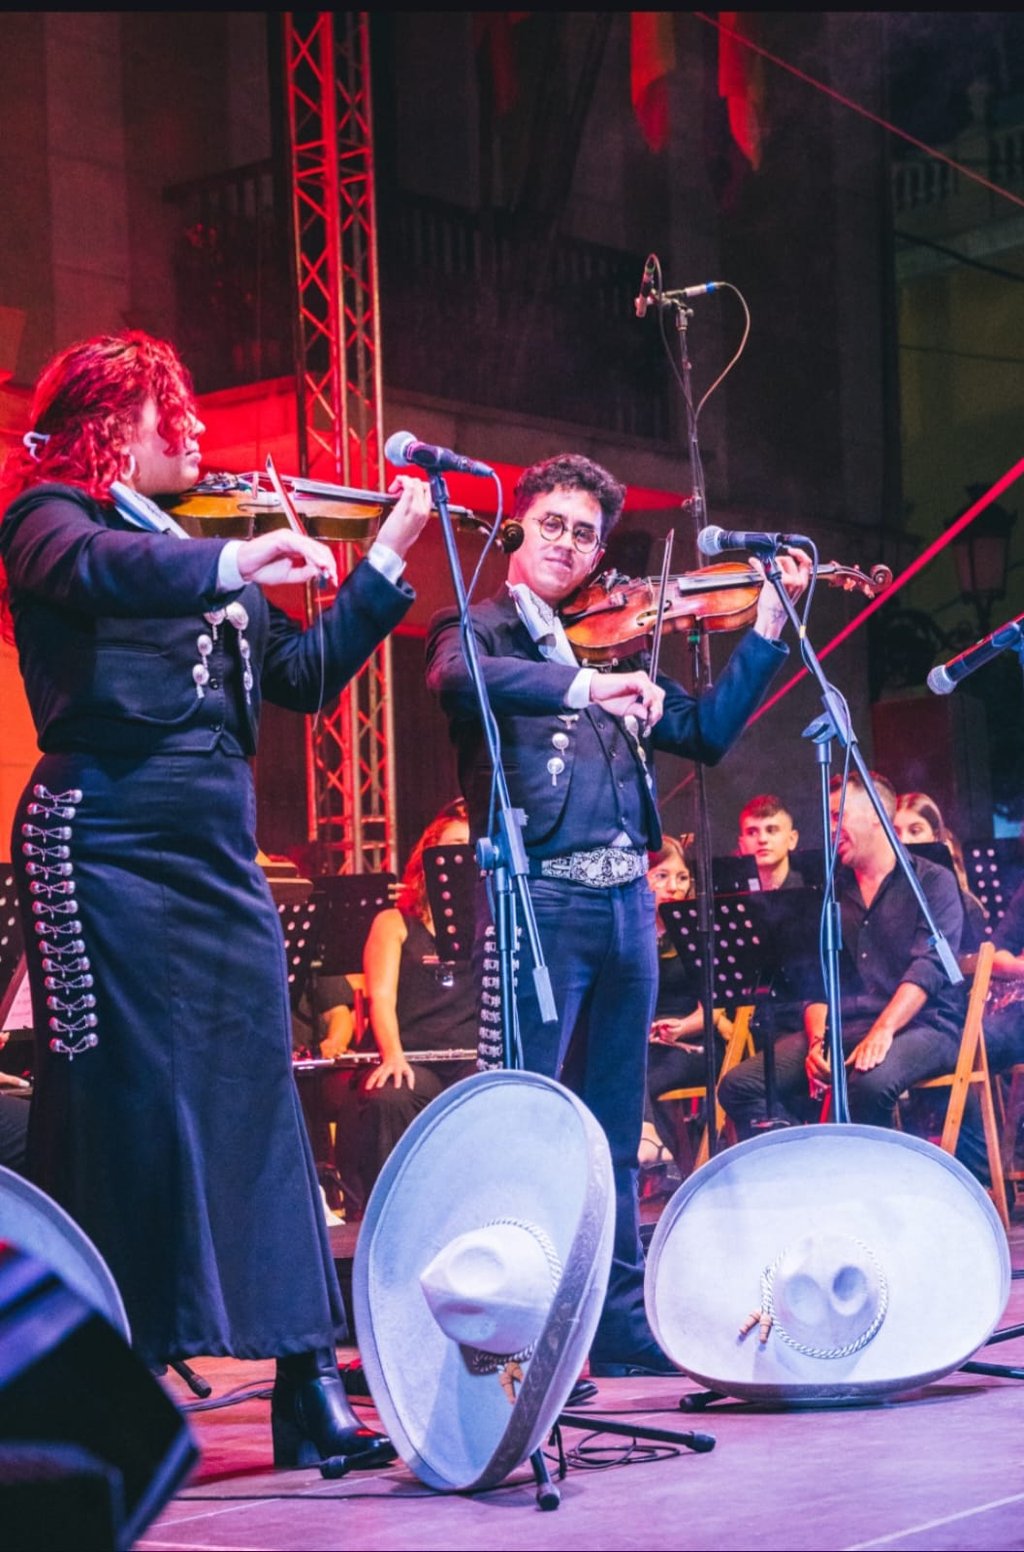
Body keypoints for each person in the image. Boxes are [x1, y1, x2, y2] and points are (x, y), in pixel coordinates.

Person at [0, 330, 433, 1471]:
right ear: (111, 426)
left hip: (213, 851)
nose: (191, 436)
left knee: (258, 1106)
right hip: (102, 839)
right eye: (168, 415)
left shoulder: (196, 543)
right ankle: (96, 1381)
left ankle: (305, 1381)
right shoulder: (49, 517)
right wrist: (233, 564)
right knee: (123, 1106)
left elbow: (299, 676)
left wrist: (384, 563)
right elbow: (99, 575)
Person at [425, 451, 810, 1376]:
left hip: (625, 902)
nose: (567, 544)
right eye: (552, 524)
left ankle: (617, 1320)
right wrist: (588, 688)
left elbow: (709, 733)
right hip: (541, 895)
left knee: (611, 1117)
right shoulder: (477, 629)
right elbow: (454, 679)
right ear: (518, 528)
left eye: (585, 534)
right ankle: (506, 1324)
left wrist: (765, 627)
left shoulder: (608, 643)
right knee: (525, 1112)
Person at [719, 770, 966, 1135]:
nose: (831, 829)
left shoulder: (931, 881)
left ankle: (873, 1187)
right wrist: (819, 1040)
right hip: (848, 1026)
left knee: (866, 1085)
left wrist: (883, 1030)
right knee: (739, 1086)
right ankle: (807, 1162)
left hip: (923, 1025)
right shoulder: (830, 890)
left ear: (876, 817)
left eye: (838, 816)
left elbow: (928, 968)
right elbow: (816, 978)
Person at [358, 799, 479, 1196]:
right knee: (392, 1097)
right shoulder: (394, 922)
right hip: (412, 1058)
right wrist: (393, 1054)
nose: (463, 856)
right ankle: (391, 1210)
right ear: (430, 857)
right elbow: (380, 997)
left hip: (467, 1060)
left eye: (471, 846)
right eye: (454, 845)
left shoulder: (490, 922)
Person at [642, 836, 730, 1175]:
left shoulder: (698, 932)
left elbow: (714, 1009)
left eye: (681, 878)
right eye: (661, 876)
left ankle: (665, 1159)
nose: (674, 887)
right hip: (651, 1043)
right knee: (619, 1070)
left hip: (694, 1041)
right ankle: (661, 1161)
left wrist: (679, 1027)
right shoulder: (634, 933)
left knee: (643, 1079)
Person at [893, 790, 987, 951]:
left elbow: (943, 944)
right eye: (895, 832)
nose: (904, 840)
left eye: (915, 831)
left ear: (936, 836)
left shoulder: (966, 905)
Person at [736, 793, 803, 892]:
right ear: (742, 844)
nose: (762, 839)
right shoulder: (728, 897)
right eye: (752, 832)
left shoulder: (815, 893)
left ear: (792, 839)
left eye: (771, 830)